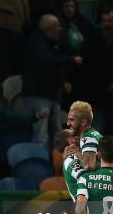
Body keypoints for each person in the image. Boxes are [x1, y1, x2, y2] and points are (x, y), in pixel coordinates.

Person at [22, 14, 82, 149]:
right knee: (41, 135)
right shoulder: (36, 44)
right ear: (49, 28)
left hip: (51, 95)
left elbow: (52, 68)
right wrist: (72, 60)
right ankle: (39, 166)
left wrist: (62, 81)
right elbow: (48, 62)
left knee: (58, 135)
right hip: (38, 95)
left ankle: (59, 165)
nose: (60, 30)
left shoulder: (50, 44)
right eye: (57, 27)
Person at [66, 101, 102, 171]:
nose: (68, 123)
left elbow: (89, 166)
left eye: (72, 120)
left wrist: (76, 152)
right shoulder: (92, 133)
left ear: (83, 122)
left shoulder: (88, 137)